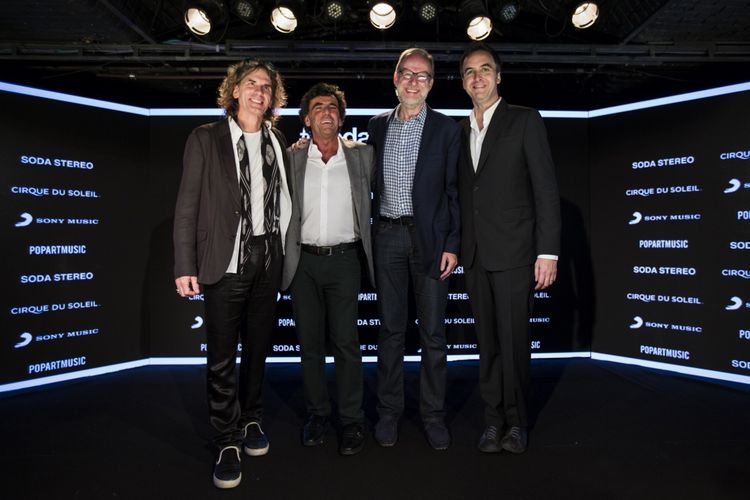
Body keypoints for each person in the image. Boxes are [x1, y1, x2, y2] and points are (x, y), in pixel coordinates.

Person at [173, 60, 292, 488]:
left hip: (268, 259)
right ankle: (226, 439)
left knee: (258, 350)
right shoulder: (206, 138)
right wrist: (185, 265)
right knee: (222, 357)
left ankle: (251, 418)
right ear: (235, 90)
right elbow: (187, 205)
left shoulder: (278, 140)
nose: (260, 91)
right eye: (252, 84)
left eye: (267, 86)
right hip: (225, 261)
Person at [457, 43, 561, 454]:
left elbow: (545, 188)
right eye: (469, 72)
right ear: (463, 82)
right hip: (475, 255)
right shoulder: (459, 130)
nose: (477, 77)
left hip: (516, 254)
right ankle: (492, 419)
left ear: (498, 76)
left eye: (485, 69)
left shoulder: (524, 119)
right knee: (488, 346)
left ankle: (517, 423)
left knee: (514, 343)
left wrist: (547, 252)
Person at [368, 47, 460, 451]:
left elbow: (455, 192)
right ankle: (389, 412)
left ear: (431, 84)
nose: (413, 81)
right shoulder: (376, 126)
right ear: (395, 78)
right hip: (387, 236)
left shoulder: (447, 129)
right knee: (390, 331)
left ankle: (433, 415)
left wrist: (452, 244)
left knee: (433, 334)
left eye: (422, 76)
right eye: (407, 73)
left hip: (431, 241)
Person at [282, 83, 375, 456]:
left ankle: (351, 420)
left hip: (345, 261)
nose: (326, 111)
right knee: (309, 345)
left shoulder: (362, 155)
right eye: (318, 107)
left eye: (333, 106)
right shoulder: (292, 158)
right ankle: (318, 415)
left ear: (341, 117)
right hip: (302, 261)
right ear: (307, 119)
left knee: (347, 344)